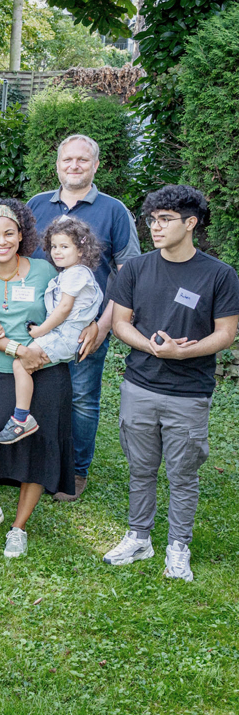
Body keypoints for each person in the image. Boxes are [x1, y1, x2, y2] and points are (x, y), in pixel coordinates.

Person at [103, 185, 239, 581]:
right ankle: (139, 537)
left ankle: (178, 546)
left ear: (190, 223)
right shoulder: (136, 269)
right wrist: (150, 345)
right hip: (139, 386)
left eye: (165, 219)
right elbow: (120, 323)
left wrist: (182, 354)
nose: (155, 227)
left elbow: (226, 332)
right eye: (152, 220)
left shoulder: (219, 274)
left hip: (189, 393)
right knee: (141, 468)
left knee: (183, 474)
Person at [0, 200, 74, 558]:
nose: (2, 241)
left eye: (9, 233)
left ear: (21, 236)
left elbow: (69, 309)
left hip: (47, 371)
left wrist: (91, 326)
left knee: (39, 447)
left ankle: (18, 527)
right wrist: (18, 349)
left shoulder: (44, 270)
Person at [27, 134, 141, 501]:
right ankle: (35, 464)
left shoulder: (114, 211)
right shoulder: (37, 205)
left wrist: (103, 326)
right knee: (37, 392)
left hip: (85, 326)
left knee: (81, 398)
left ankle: (75, 471)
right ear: (57, 165)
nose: (74, 166)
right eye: (67, 160)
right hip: (38, 324)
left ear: (96, 165)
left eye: (82, 160)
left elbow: (129, 274)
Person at [0, 218, 102, 444]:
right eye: (54, 246)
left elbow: (64, 308)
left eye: (64, 246)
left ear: (81, 250)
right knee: (25, 364)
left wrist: (41, 330)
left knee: (20, 364)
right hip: (65, 333)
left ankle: (21, 419)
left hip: (65, 335)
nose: (57, 252)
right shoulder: (69, 272)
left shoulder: (76, 274)